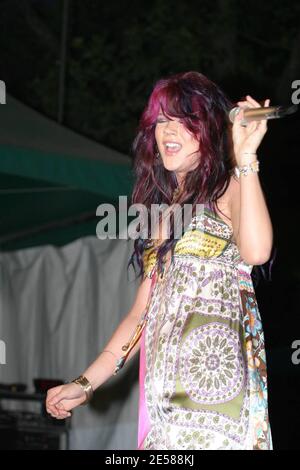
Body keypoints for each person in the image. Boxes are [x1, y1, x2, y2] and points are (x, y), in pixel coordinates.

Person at [46, 71, 274, 450]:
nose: (168, 131)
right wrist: (84, 384)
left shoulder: (228, 188)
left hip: (214, 397)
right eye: (162, 121)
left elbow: (257, 252)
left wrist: (246, 158)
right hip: (165, 404)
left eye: (184, 122)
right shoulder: (165, 215)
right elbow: (139, 316)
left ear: (210, 130)